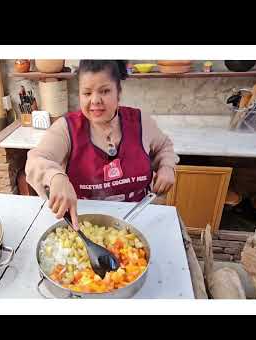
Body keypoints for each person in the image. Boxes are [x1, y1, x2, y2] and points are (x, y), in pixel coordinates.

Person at [25, 60, 178, 230]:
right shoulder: (67, 128)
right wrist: (55, 177)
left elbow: (164, 146)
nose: (95, 100)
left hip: (138, 221)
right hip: (84, 225)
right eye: (87, 93)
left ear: (118, 93)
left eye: (105, 91)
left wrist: (167, 166)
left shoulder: (140, 121)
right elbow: (35, 159)